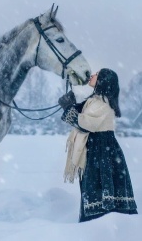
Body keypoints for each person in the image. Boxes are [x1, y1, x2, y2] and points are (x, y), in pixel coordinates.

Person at [58, 68, 138, 222]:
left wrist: (68, 108)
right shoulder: (95, 100)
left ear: (102, 81)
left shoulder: (103, 102)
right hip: (98, 149)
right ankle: (101, 223)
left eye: (96, 74)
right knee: (94, 185)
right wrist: (70, 104)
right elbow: (82, 113)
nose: (92, 75)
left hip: (102, 151)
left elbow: (86, 123)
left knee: (97, 185)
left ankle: (103, 224)